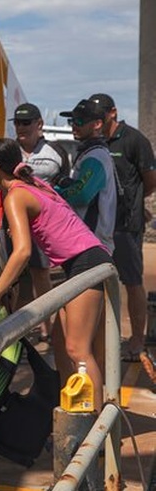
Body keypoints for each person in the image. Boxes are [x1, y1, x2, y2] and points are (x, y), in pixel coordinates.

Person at [0, 137, 113, 410]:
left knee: (78, 350)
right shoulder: (35, 185)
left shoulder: (16, 195)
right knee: (61, 345)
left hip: (86, 263)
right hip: (81, 262)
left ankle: (95, 427)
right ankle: (69, 413)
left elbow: (23, 252)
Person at [0, 103, 67, 341]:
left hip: (42, 224)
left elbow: (65, 188)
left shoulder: (56, 151)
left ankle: (47, 326)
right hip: (10, 223)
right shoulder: (8, 150)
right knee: (14, 277)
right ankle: (18, 329)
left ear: (39, 124)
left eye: (26, 122)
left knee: (41, 273)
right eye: (17, 122)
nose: (20, 127)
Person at [89, 93, 156, 361]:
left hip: (126, 226)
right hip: (98, 227)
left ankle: (137, 339)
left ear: (113, 113)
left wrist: (136, 203)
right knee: (99, 282)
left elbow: (150, 180)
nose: (96, 123)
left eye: (100, 118)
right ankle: (104, 338)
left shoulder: (134, 140)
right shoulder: (95, 141)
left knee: (131, 281)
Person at [56, 98, 117, 253]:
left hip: (92, 242)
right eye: (72, 121)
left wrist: (55, 192)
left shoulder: (95, 155)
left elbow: (82, 194)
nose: (74, 126)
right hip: (87, 239)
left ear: (97, 124)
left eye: (80, 121)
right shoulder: (91, 152)